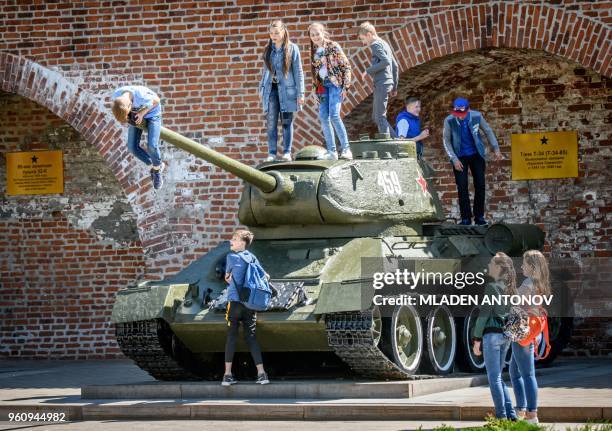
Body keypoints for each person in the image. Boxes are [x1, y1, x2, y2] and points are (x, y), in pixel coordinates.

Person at [472, 252, 519, 420]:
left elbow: (483, 316)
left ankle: (501, 417)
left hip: (491, 336)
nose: (489, 267)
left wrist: (476, 339)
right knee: (498, 377)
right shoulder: (511, 288)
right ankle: (512, 415)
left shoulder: (491, 288)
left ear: (498, 268)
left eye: (492, 264)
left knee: (494, 379)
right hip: (505, 337)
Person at [442, 97, 503, 225]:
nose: (460, 116)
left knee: (480, 185)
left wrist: (496, 149)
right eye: (457, 113)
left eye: (462, 113)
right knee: (462, 186)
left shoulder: (476, 116)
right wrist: (454, 159)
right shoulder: (449, 120)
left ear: (468, 110)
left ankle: (479, 217)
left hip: (476, 154)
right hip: (459, 156)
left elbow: (488, 131)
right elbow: (446, 141)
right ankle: (465, 218)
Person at [222, 229, 270, 386]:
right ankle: (262, 374)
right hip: (250, 304)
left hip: (235, 303)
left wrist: (231, 278)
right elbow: (266, 276)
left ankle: (227, 375)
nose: (231, 241)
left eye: (234, 239)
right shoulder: (252, 257)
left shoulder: (231, 257)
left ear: (242, 242)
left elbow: (228, 278)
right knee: (251, 338)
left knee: (231, 337)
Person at [509, 250, 550, 424]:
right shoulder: (539, 282)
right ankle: (522, 410)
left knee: (526, 374)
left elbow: (514, 301)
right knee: (515, 372)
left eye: (524, 264)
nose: (521, 266)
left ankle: (531, 415)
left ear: (531, 266)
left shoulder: (528, 282)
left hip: (523, 330)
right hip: (532, 330)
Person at [259, 19, 305, 162]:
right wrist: (261, 89)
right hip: (271, 90)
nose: (274, 35)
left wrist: (301, 93)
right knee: (271, 122)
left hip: (287, 91)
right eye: (271, 33)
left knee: (286, 121)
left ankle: (287, 152)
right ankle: (272, 153)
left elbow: (298, 72)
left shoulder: (292, 48)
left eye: (277, 32)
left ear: (283, 32)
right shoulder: (268, 50)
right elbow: (265, 71)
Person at [309, 22, 353, 160]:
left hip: (335, 85)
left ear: (323, 33)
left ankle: (346, 149)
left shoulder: (333, 46)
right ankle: (332, 152)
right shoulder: (314, 51)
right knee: (323, 116)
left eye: (317, 34)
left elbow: (346, 66)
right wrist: (314, 91)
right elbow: (315, 73)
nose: (315, 37)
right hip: (322, 87)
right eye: (312, 35)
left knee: (334, 115)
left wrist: (345, 86)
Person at [112, 85, 165, 189]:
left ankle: (157, 170)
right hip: (136, 113)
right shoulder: (117, 96)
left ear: (130, 105)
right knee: (132, 147)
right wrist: (129, 116)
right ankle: (154, 167)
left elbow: (157, 101)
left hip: (152, 114)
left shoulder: (141, 95)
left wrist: (141, 114)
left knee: (152, 146)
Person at [358, 22, 398, 138]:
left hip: (382, 83)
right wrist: (394, 86)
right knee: (376, 117)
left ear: (369, 34)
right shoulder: (384, 43)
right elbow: (395, 66)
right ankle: (396, 140)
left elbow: (385, 62)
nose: (363, 43)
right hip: (386, 83)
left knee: (380, 117)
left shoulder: (375, 44)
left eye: (363, 39)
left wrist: (368, 71)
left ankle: (392, 147)